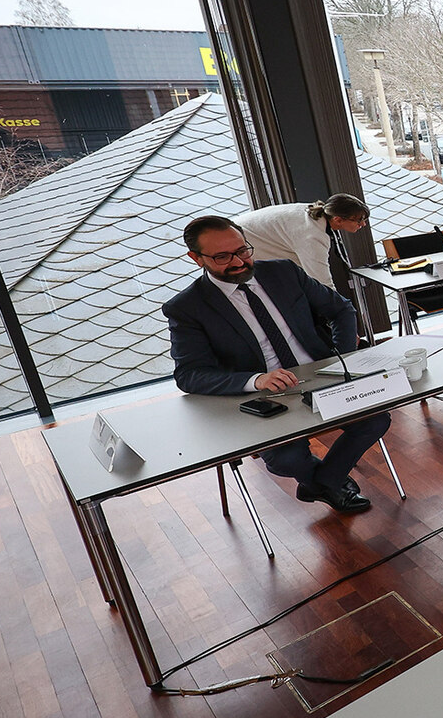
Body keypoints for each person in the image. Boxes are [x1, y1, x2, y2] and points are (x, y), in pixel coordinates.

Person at [163, 215, 390, 514]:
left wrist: (343, 356)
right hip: (263, 395)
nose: (239, 262)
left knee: (375, 419)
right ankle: (331, 483)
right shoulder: (187, 307)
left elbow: (341, 309)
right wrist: (256, 380)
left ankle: (324, 483)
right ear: (196, 258)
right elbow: (189, 374)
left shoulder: (283, 272)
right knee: (286, 459)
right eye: (222, 257)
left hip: (321, 375)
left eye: (243, 250)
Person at [234, 194, 369, 293]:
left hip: (249, 237)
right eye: (359, 220)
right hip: (239, 247)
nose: (363, 224)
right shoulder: (312, 235)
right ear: (338, 219)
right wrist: (344, 318)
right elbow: (322, 282)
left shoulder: (315, 212)